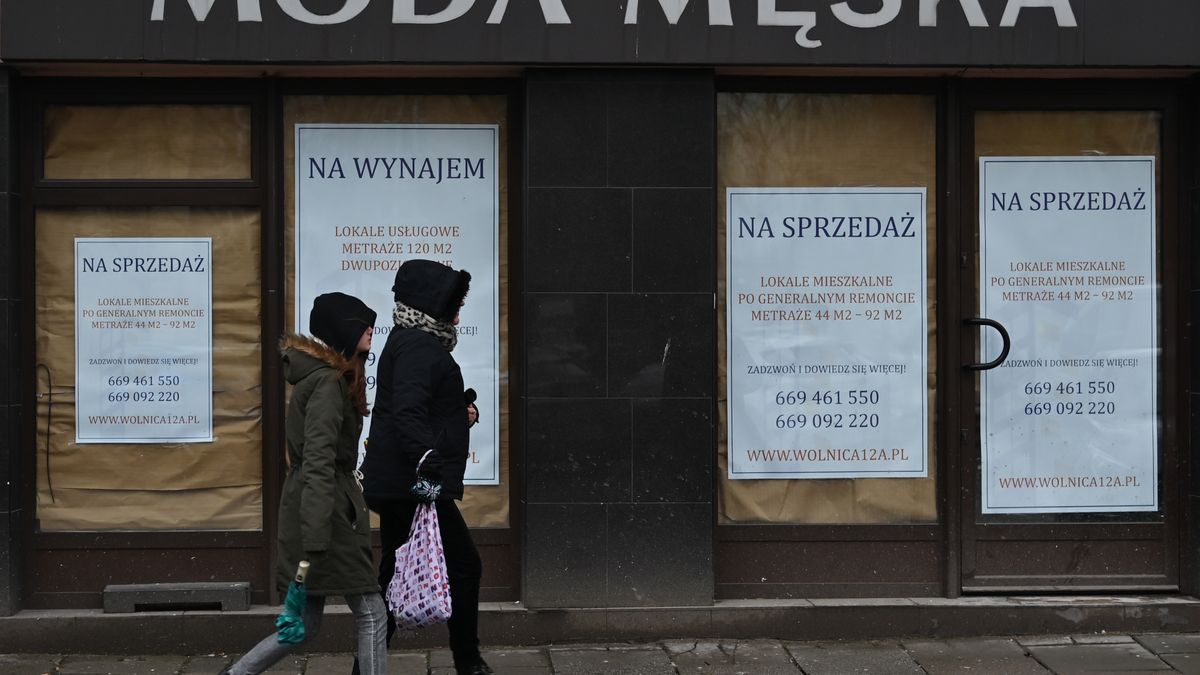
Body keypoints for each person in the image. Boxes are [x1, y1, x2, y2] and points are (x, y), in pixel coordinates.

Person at [223, 292, 387, 675]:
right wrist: (315, 536)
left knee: (305, 625)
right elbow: (318, 460)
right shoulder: (329, 383)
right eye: (363, 323)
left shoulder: (328, 379)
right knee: (372, 614)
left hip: (322, 511)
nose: (371, 329)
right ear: (342, 329)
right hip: (327, 517)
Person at [358, 259, 490, 675]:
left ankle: (368, 667)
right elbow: (408, 411)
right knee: (464, 565)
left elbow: (418, 407)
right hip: (410, 483)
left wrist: (457, 414)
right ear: (432, 303)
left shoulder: (411, 341)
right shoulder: (418, 345)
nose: (458, 316)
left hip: (401, 481)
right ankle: (468, 662)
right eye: (453, 306)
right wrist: (427, 458)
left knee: (394, 573)